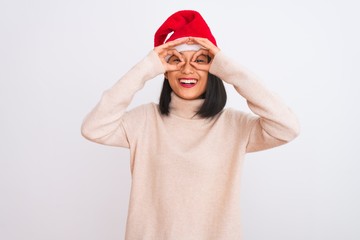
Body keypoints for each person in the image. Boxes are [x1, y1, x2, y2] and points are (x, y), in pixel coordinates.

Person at [81, 10, 300, 240]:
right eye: (176, 60)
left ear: (215, 69)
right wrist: (146, 67)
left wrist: (228, 68)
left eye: (199, 61)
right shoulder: (144, 121)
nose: (187, 70)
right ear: (163, 70)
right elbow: (93, 127)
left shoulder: (235, 126)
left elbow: (287, 127)